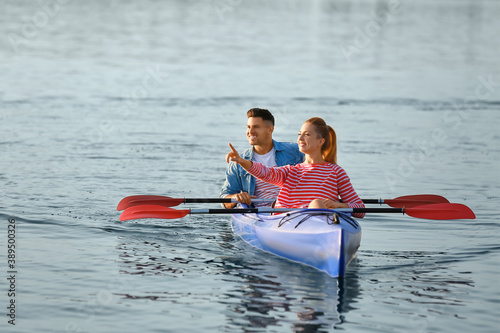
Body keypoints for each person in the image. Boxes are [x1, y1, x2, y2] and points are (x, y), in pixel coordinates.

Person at [226, 117, 365, 218]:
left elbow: (360, 209)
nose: (300, 138)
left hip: (325, 226)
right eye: (300, 134)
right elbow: (265, 173)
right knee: (316, 204)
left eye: (307, 134)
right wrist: (241, 161)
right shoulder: (291, 171)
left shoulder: (336, 172)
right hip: (285, 224)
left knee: (316, 204)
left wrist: (338, 205)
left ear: (320, 141)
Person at [220, 108, 304, 208]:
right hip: (257, 218)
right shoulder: (239, 162)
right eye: (248, 127)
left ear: (270, 129)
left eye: (256, 127)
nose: (250, 131)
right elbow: (225, 198)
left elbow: (320, 164)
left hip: (290, 213)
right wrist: (236, 197)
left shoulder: (295, 151)